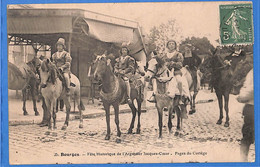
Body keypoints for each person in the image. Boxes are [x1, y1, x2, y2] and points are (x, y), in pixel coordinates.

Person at [236, 69, 254, 162]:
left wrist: (241, 96)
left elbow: (251, 89)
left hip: (252, 107)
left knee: (247, 137)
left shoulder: (253, 72)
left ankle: (243, 161)